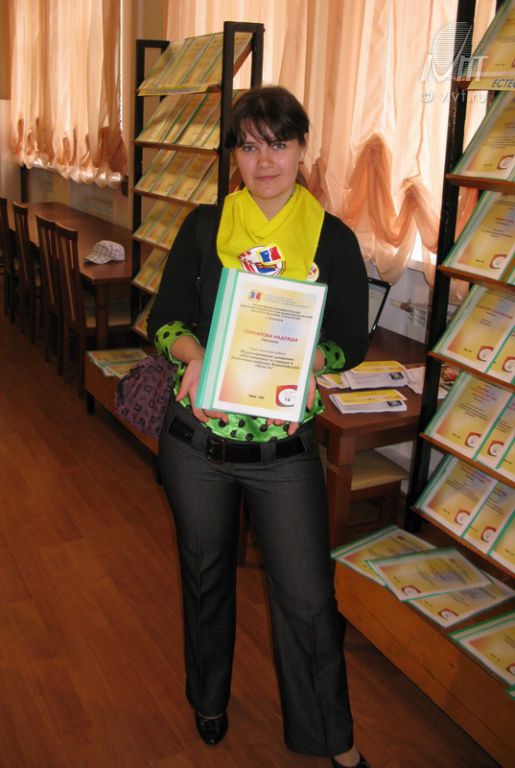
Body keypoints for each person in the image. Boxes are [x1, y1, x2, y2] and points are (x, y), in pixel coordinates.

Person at [147, 85, 370, 768]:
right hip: (197, 443)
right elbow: (166, 320)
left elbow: (349, 339)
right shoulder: (204, 228)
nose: (264, 160)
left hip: (284, 452)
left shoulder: (332, 239)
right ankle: (208, 699)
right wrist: (193, 358)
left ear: (303, 149)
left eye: (279, 143)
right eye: (249, 146)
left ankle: (331, 738)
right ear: (234, 156)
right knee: (205, 577)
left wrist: (311, 364)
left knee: (307, 597)